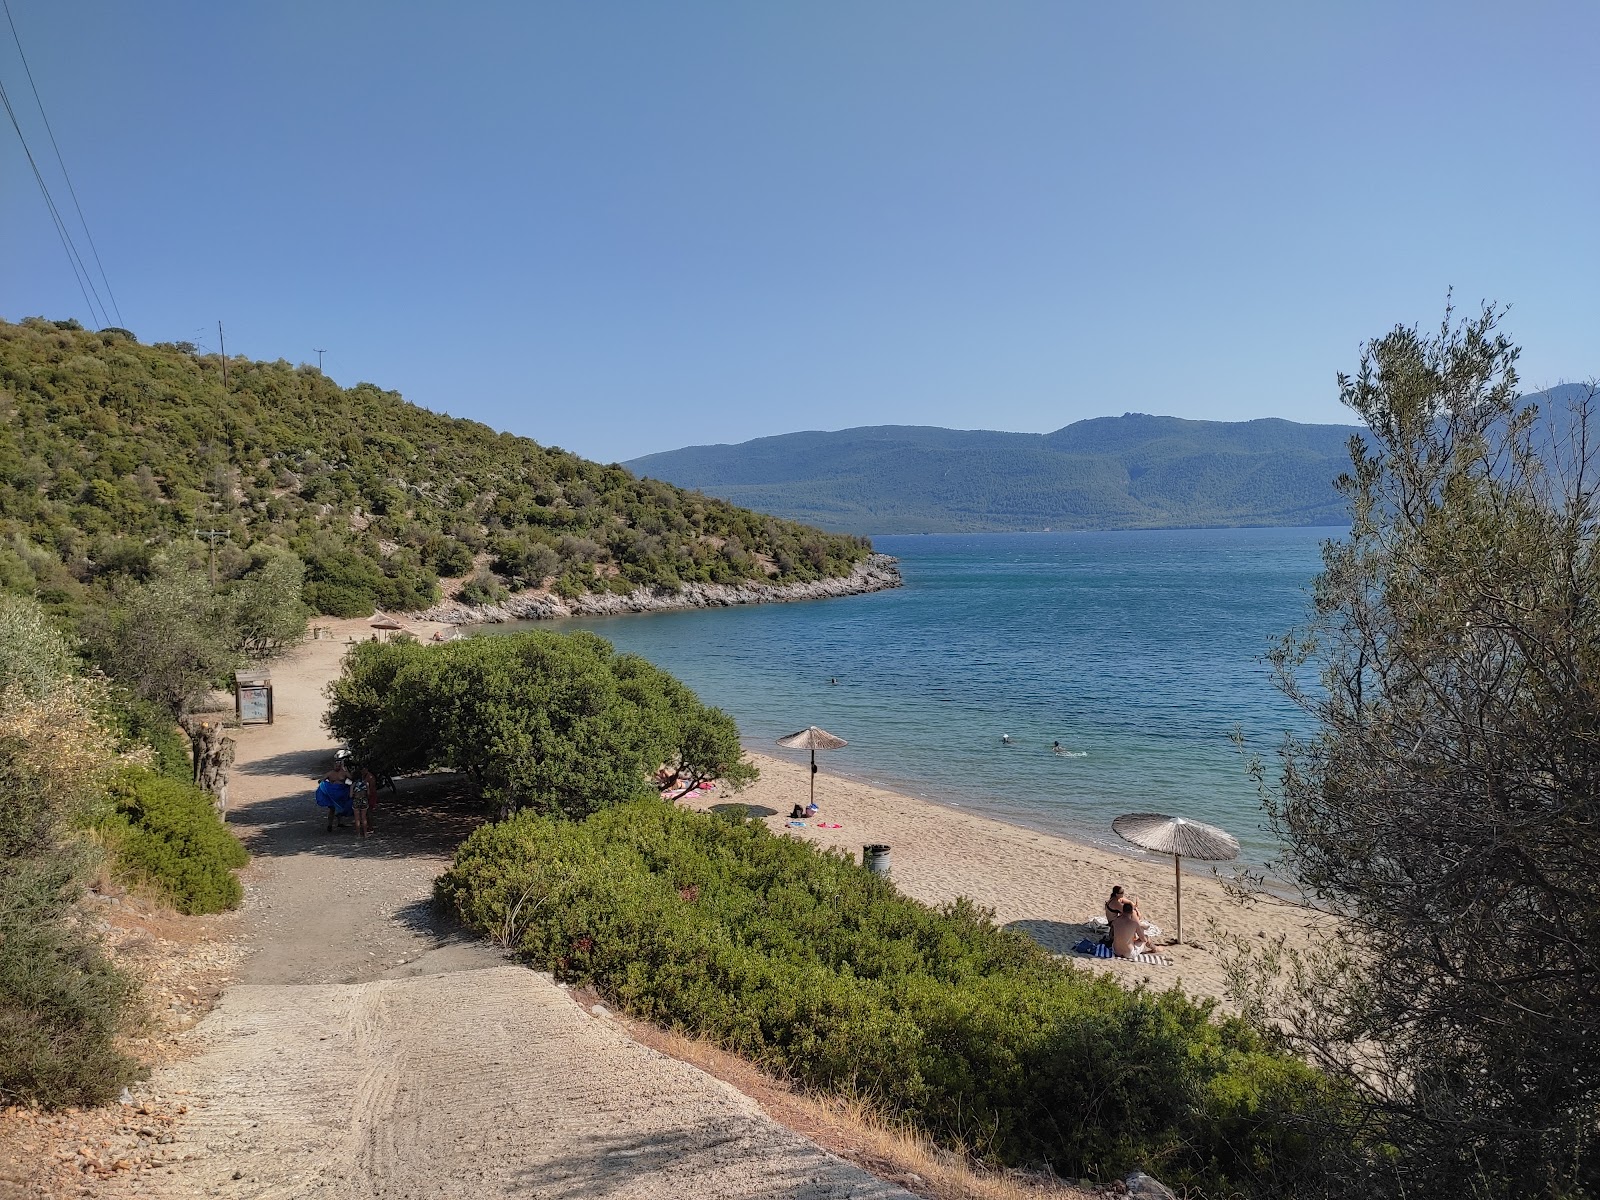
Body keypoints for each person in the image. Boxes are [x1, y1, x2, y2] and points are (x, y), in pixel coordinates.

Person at [315, 762, 354, 832]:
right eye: (335, 765)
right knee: (332, 809)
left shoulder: (344, 773)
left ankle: (340, 822)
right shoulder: (330, 773)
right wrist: (321, 781)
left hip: (342, 792)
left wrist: (346, 771)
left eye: (338, 765)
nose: (337, 767)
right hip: (333, 793)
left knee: (342, 807)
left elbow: (352, 778)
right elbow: (322, 779)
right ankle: (330, 825)